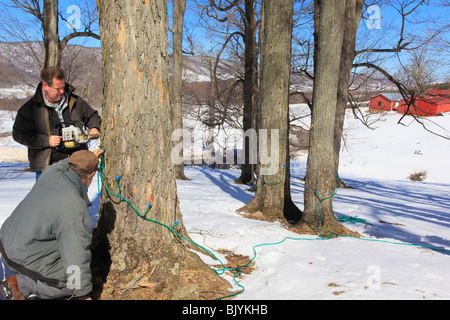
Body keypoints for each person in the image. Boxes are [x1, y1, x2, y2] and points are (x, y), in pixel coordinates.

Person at [0, 150, 102, 300]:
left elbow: (63, 164)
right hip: (24, 258)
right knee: (71, 281)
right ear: (91, 175)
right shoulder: (73, 206)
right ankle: (23, 284)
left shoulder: (52, 173)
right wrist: (81, 292)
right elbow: (75, 253)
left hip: (7, 242)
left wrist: (87, 157)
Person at [13, 66, 102, 181]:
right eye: (57, 89)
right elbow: (18, 134)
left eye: (63, 87)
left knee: (76, 199)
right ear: (45, 86)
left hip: (78, 165)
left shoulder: (75, 102)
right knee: (49, 199)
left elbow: (92, 116)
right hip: (47, 168)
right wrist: (46, 141)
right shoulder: (30, 109)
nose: (61, 91)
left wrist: (94, 127)